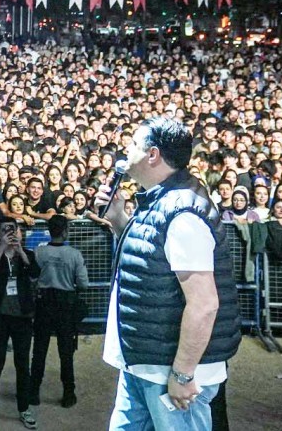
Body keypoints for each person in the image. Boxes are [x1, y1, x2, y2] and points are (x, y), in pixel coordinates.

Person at [95, 116, 241, 431]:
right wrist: (119, 218)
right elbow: (149, 262)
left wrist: (183, 374)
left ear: (153, 154)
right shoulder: (159, 200)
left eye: (133, 143)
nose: (126, 150)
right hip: (143, 361)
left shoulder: (183, 212)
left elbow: (204, 305)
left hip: (168, 372)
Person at [0, 216, 40, 430]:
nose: (9, 233)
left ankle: (24, 408)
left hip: (22, 318)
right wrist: (2, 247)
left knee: (23, 365)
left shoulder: (28, 254)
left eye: (12, 229)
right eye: (4, 230)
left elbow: (34, 272)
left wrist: (20, 251)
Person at [30, 214, 88, 408]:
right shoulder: (74, 254)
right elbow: (83, 283)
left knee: (39, 348)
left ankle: (33, 391)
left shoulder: (40, 252)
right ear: (65, 231)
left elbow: (32, 277)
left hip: (44, 301)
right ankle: (68, 393)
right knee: (66, 351)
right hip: (65, 303)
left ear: (49, 231)